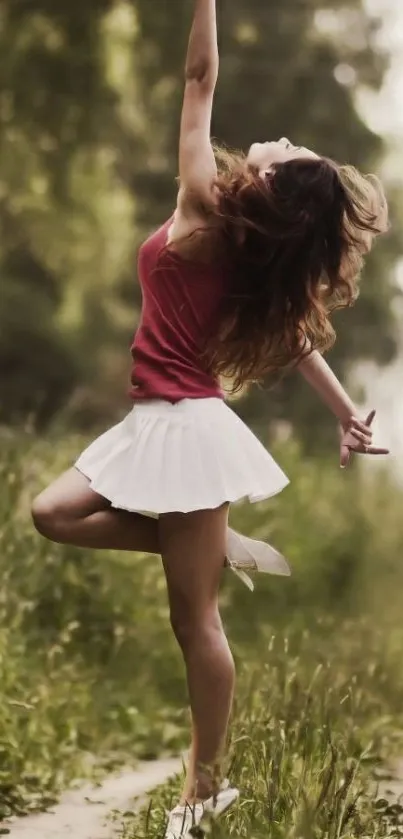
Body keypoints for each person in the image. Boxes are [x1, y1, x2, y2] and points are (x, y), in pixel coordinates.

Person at [31, 0, 389, 836]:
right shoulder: (236, 237)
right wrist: (343, 414)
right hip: (151, 417)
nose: (282, 140)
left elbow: (198, 79)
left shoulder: (200, 203)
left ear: (269, 181)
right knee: (52, 513)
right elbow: (300, 342)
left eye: (290, 151)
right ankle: (210, 540)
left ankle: (204, 787)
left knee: (193, 619)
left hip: (189, 424)